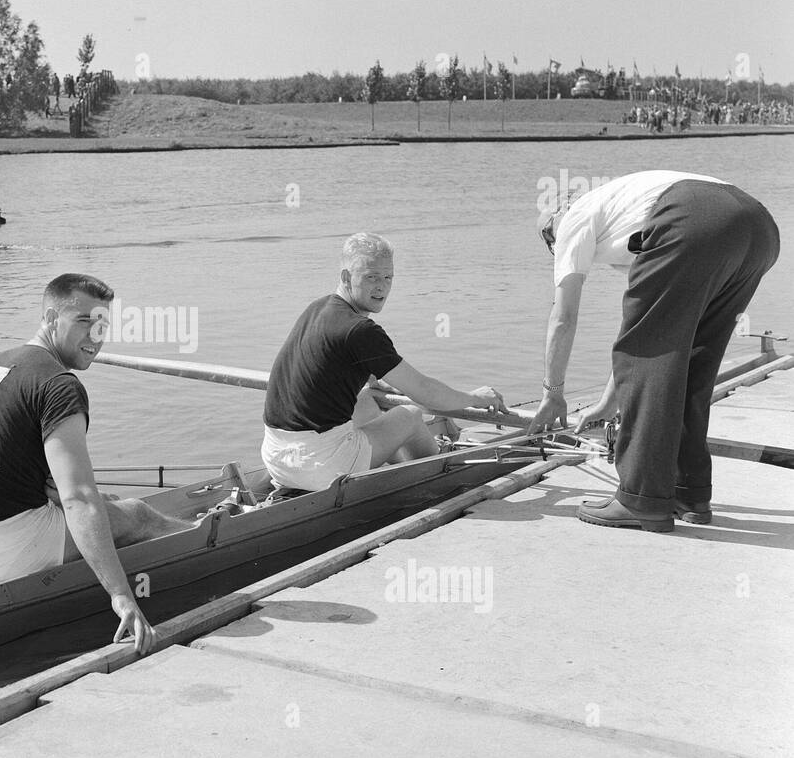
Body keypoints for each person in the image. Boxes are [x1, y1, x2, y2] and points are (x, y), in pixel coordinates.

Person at [0, 273, 194, 654]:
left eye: (102, 324)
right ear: (51, 319)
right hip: (11, 548)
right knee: (138, 513)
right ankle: (204, 532)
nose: (96, 336)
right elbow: (78, 499)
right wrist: (122, 595)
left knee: (106, 500)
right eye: (84, 321)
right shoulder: (59, 385)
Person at [531, 170, 780, 531]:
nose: (553, 246)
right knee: (694, 356)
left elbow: (563, 318)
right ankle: (688, 491)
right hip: (757, 228)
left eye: (547, 236)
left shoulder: (574, 216)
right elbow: (651, 330)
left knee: (650, 352)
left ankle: (641, 499)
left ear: (559, 213)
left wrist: (552, 393)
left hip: (693, 219)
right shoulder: (626, 217)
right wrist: (608, 403)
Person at [261, 233, 505, 492]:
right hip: (322, 467)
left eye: (388, 277)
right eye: (371, 277)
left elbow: (328, 361)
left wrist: (372, 377)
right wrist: (477, 398)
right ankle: (440, 484)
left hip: (277, 458)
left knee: (364, 398)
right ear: (346, 277)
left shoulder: (317, 308)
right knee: (410, 415)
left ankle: (396, 468)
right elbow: (427, 393)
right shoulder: (361, 330)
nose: (381, 287)